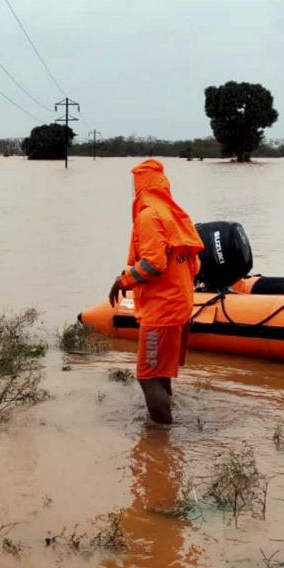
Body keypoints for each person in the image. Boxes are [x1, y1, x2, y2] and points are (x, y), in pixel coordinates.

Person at [107, 159, 203, 425]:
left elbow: (153, 264)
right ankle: (166, 431)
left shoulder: (149, 216)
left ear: (141, 187)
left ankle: (161, 441)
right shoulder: (176, 214)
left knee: (147, 375)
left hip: (162, 311)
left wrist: (122, 280)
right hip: (181, 306)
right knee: (161, 372)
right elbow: (196, 264)